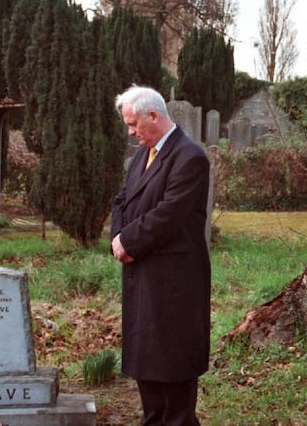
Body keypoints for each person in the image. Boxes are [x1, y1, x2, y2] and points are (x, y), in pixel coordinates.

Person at [110, 85, 211, 426]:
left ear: (153, 115)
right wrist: (117, 239)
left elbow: (169, 214)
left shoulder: (190, 157)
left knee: (174, 364)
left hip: (174, 280)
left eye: (133, 123)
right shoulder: (141, 155)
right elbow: (122, 200)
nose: (130, 131)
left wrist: (129, 242)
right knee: (147, 360)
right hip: (142, 272)